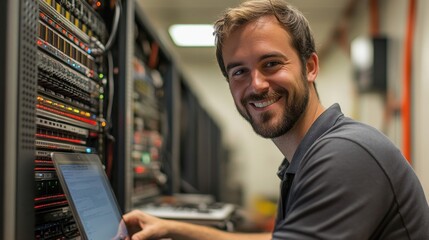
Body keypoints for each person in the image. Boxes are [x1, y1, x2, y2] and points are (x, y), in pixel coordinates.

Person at [123, 0, 429, 239]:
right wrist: (172, 228)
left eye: (271, 63)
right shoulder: (311, 154)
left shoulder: (345, 153)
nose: (256, 84)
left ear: (310, 67)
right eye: (239, 71)